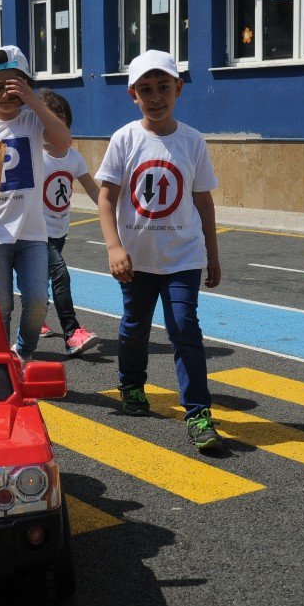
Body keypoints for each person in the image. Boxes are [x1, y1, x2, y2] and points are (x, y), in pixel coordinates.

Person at [95, 50, 223, 452]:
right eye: (146, 89)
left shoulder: (192, 141)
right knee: (134, 327)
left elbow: (203, 201)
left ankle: (198, 412)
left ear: (178, 89)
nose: (155, 97)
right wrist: (114, 247)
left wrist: (213, 254)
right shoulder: (125, 139)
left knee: (185, 328)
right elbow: (105, 198)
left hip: (183, 257)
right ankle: (131, 384)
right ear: (133, 94)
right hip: (136, 259)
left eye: (163, 87)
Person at [0, 46, 72, 365]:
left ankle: (23, 351)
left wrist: (33, 100)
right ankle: (0, 362)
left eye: (14, 84)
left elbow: (62, 142)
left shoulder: (33, 121)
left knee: (36, 302)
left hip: (32, 232)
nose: (5, 91)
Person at [34, 89, 101, 356]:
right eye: (49, 115)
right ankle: (73, 333)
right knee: (60, 275)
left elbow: (94, 190)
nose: (56, 120)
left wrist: (116, 215)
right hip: (37, 231)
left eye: (60, 115)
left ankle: (35, 318)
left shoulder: (73, 156)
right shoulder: (35, 154)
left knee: (40, 280)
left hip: (60, 229)